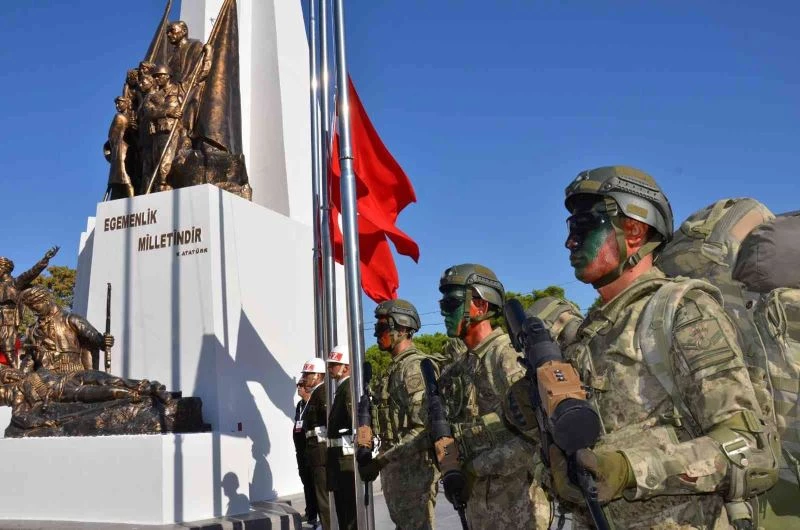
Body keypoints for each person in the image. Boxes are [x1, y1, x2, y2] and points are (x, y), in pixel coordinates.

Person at [543, 165, 778, 528]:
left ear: (634, 231)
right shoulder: (590, 333)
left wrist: (626, 470)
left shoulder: (683, 310)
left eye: (582, 227)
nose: (570, 242)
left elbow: (745, 449)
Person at [436, 264, 544, 529]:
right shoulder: (461, 367)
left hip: (518, 511)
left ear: (481, 306)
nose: (444, 312)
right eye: (443, 303)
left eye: (452, 303)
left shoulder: (506, 356)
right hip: (478, 510)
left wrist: (476, 468)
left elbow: (537, 438)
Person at [359, 299, 439, 530]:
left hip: (414, 471)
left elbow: (423, 429)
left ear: (403, 329)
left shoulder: (413, 368)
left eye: (382, 328)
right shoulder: (393, 369)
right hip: (398, 469)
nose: (377, 334)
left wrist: (380, 461)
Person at [20, 286, 113, 373]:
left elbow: (97, 340)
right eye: (31, 308)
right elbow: (28, 358)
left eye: (36, 307)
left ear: (46, 301)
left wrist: (105, 341)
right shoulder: (32, 329)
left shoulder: (71, 319)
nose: (34, 311)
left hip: (69, 374)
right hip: (42, 376)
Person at [0, 248, 59, 368]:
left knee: (7, 346)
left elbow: (31, 272)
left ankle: (15, 370)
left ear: (4, 269)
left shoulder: (16, 283)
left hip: (8, 320)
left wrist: (45, 259)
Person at [326, 345, 356, 530]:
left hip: (345, 460)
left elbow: (353, 422)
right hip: (338, 458)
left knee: (349, 509)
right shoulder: (342, 388)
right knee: (342, 509)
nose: (330, 368)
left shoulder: (348, 388)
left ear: (346, 367)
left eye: (334, 364)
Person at [142, 64, 184, 192]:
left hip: (173, 130)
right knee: (158, 160)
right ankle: (161, 184)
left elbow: (199, 77)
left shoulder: (179, 89)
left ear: (167, 76)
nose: (156, 79)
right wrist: (168, 112)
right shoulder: (152, 96)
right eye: (155, 77)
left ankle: (165, 184)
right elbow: (149, 112)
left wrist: (208, 53)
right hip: (157, 132)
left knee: (167, 161)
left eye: (159, 76)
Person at [300, 358, 330, 530]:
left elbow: (326, 421)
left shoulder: (322, 393)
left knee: (323, 497)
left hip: (320, 451)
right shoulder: (314, 395)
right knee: (319, 495)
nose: (304, 378)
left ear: (318, 376)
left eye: (308, 375)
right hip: (313, 451)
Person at [293, 366, 319, 528]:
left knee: (314, 483)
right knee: (306, 482)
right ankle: (310, 512)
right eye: (298, 385)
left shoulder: (312, 404)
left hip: (311, 450)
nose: (298, 388)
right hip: (300, 451)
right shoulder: (299, 406)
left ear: (307, 388)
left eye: (301, 386)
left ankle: (317, 514)